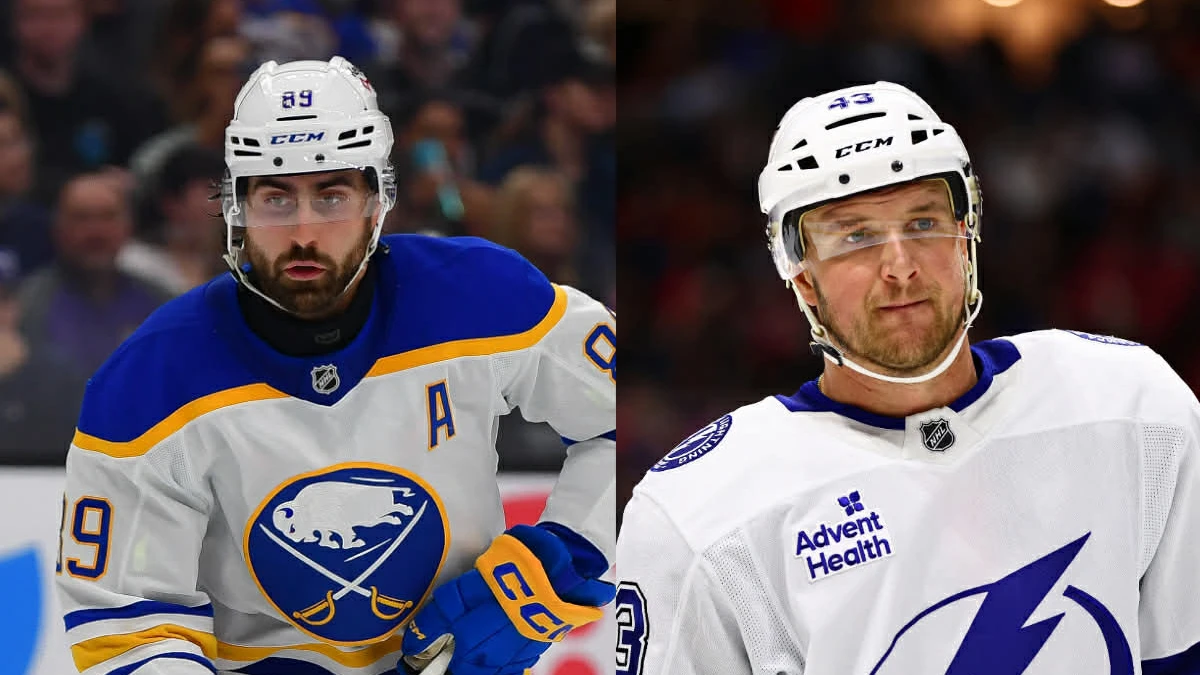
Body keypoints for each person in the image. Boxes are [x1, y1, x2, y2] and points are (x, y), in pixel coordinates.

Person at [55, 56, 615, 675]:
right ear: (236, 207)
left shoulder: (483, 297)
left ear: (378, 202)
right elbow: (128, 631)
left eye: (331, 196)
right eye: (275, 198)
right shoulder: (146, 385)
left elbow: (623, 422)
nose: (303, 232)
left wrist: (565, 558)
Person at [615, 82, 1200, 673]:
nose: (900, 266)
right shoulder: (701, 510)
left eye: (923, 223)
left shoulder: (1133, 406)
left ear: (967, 234)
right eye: (856, 237)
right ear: (800, 274)